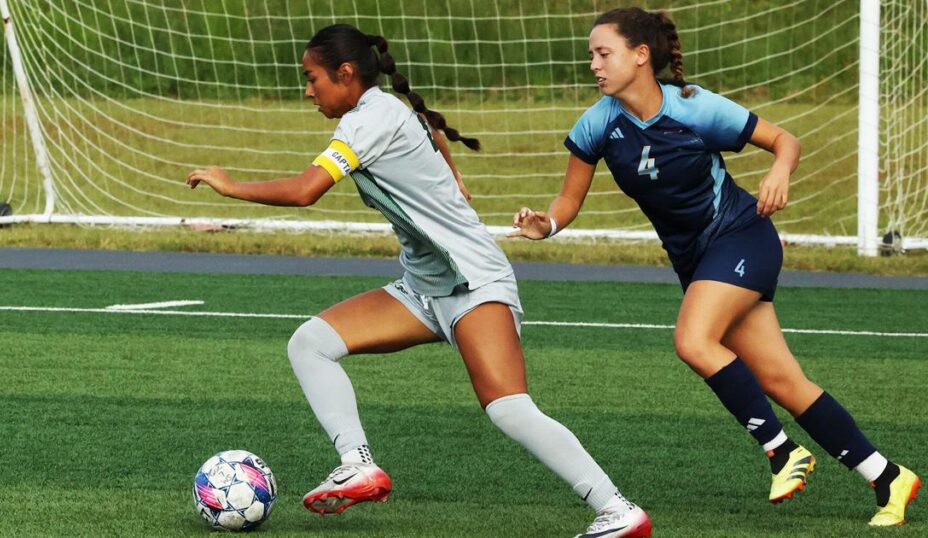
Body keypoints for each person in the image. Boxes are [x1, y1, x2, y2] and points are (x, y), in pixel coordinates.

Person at [187, 23, 652, 538]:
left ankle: (617, 509)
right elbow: (427, 132)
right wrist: (450, 172)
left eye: (312, 77)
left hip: (473, 281)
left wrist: (230, 186)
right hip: (424, 288)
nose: (307, 90)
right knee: (310, 343)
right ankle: (358, 463)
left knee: (509, 408)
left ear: (345, 74)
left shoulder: (371, 119)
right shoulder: (381, 112)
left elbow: (304, 191)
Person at [508, 7, 920, 528]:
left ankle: (780, 451)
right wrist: (544, 225)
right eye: (591, 54)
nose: (593, 64)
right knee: (782, 379)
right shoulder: (597, 123)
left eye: (602, 52)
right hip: (699, 262)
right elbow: (567, 201)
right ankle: (888, 477)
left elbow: (785, 141)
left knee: (693, 341)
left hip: (742, 237)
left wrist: (779, 172)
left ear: (640, 56)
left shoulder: (694, 107)